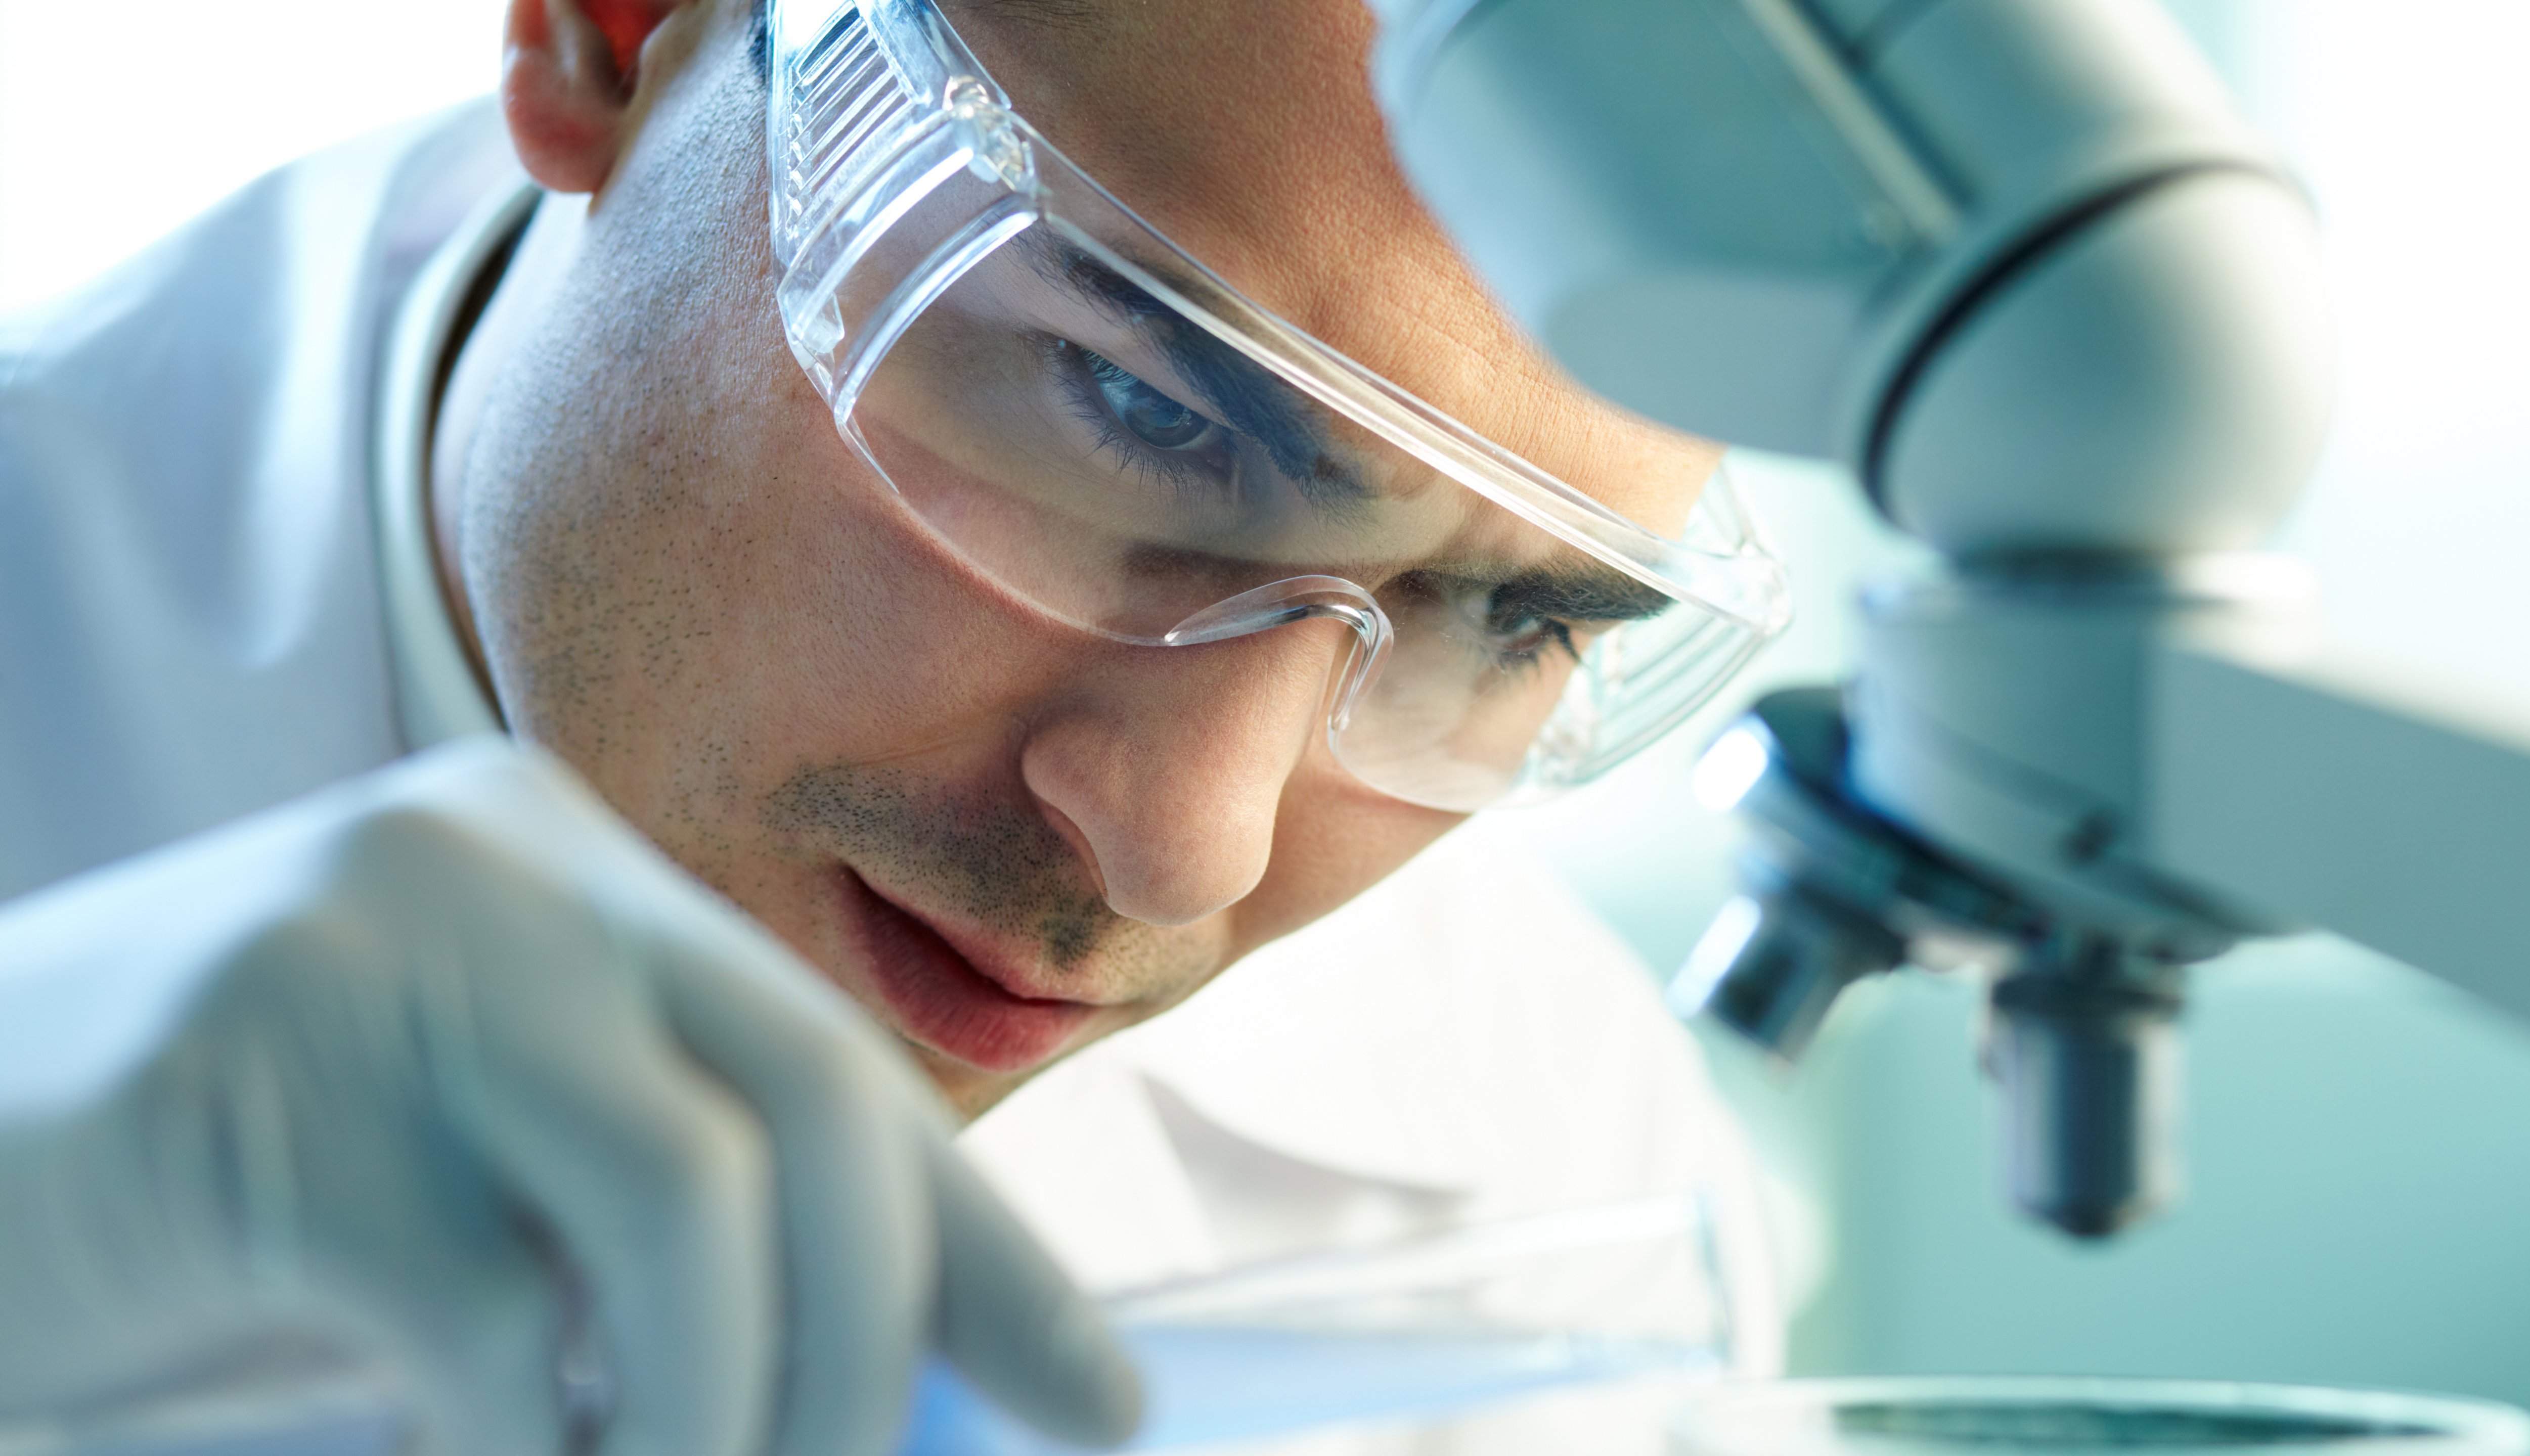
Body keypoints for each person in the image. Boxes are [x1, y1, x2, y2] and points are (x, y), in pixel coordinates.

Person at [0, 0, 1792, 1451]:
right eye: (1138, 406)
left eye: (1521, 621)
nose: (1185, 848)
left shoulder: (1538, 1174)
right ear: (617, 37)